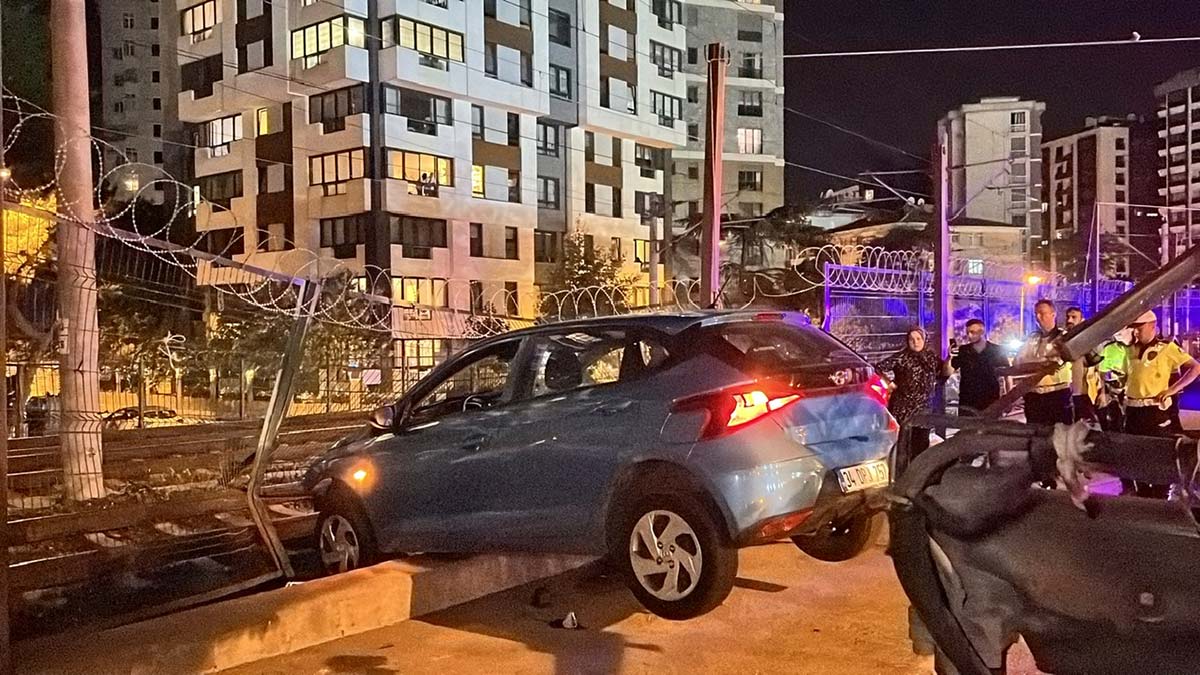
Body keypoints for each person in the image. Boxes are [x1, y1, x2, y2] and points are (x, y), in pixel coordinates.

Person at [1123, 311, 1200, 437]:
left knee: (1157, 448)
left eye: (1139, 329)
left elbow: (1196, 368)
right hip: (1132, 410)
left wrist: (1172, 390)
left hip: (1153, 409)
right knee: (1134, 449)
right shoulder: (1130, 349)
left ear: (1152, 326)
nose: (1136, 332)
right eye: (1134, 329)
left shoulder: (1166, 348)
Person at [876, 328, 945, 459]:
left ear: (924, 340)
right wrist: (888, 382)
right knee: (904, 446)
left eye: (919, 339)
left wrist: (950, 358)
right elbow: (878, 368)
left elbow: (944, 372)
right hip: (904, 409)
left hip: (924, 408)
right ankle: (902, 476)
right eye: (911, 339)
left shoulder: (931, 358)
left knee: (921, 445)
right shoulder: (901, 357)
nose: (915, 342)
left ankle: (918, 475)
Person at [1015, 299, 1073, 427]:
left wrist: (1035, 363)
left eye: (1042, 313)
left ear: (1053, 314)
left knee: (1059, 434)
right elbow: (1019, 361)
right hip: (1034, 395)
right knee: (1034, 433)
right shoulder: (1032, 338)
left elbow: (1057, 362)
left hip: (1057, 395)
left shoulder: (1064, 337)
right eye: (1036, 313)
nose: (1038, 317)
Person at [950, 318, 1008, 415]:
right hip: (967, 400)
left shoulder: (996, 350)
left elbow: (1007, 373)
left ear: (982, 332)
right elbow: (949, 371)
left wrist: (1007, 397)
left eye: (972, 332)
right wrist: (949, 357)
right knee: (967, 429)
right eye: (968, 332)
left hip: (990, 399)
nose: (969, 336)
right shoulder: (963, 350)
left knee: (990, 428)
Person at [1064, 306, 1102, 424]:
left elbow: (1099, 366)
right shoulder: (1062, 339)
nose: (1069, 320)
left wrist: (1102, 392)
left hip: (1085, 393)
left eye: (1074, 317)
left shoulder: (1091, 339)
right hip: (1066, 393)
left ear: (1082, 320)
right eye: (1068, 317)